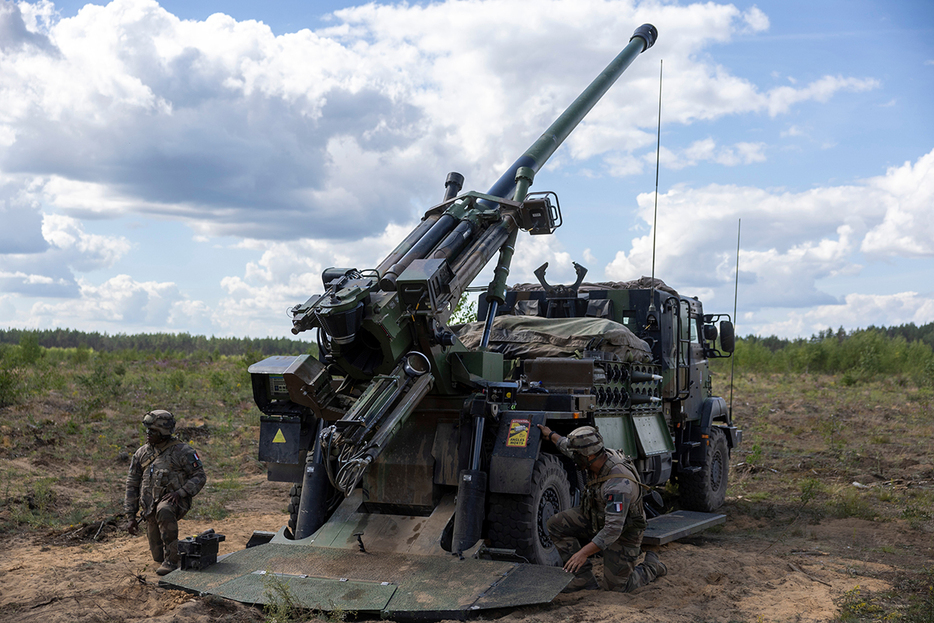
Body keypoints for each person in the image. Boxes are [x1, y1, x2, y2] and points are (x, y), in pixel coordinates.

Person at [537, 423, 667, 593]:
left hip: (623, 531)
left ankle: (652, 566)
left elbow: (613, 530)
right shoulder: (594, 455)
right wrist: (550, 433)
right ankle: (582, 578)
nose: (573, 458)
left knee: (618, 588)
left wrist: (583, 553)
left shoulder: (618, 484)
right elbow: (565, 446)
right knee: (556, 523)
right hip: (598, 516)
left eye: (577, 455)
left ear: (588, 456)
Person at [125, 410, 206, 576]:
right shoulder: (141, 454)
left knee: (165, 509)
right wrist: (131, 516)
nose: (148, 435)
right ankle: (169, 553)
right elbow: (132, 484)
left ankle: (172, 560)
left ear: (163, 433)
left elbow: (199, 476)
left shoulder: (182, 451)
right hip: (149, 507)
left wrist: (181, 493)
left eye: (152, 432)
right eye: (147, 431)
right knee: (156, 556)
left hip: (175, 503)